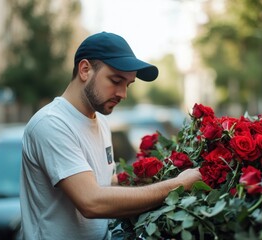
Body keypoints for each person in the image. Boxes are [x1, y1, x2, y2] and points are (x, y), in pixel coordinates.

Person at [19, 31, 202, 240]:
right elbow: (91, 201)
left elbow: (103, 183)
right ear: (85, 69)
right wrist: (177, 185)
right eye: (116, 80)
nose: (123, 94)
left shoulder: (101, 121)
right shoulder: (51, 124)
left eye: (128, 85)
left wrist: (148, 178)